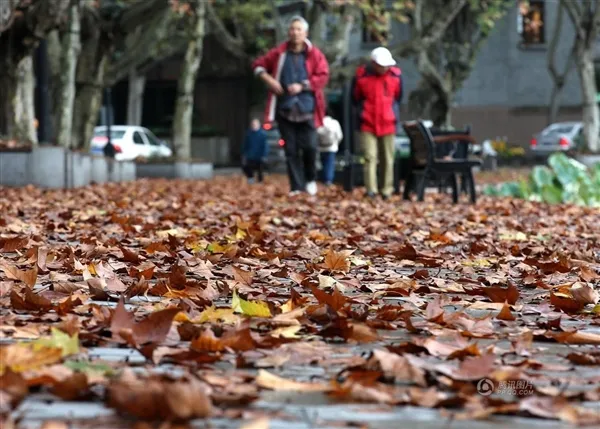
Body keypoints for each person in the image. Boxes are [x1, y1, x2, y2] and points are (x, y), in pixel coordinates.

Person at [251, 15, 329, 196]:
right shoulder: (279, 53)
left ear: (305, 33)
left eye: (299, 29)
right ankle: (296, 186)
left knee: (310, 147)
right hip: (284, 109)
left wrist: (303, 85)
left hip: (307, 108)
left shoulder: (314, 54)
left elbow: (323, 76)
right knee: (290, 150)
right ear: (288, 32)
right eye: (292, 29)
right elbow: (257, 65)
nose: (295, 33)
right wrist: (269, 80)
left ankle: (310, 179)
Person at [352, 46, 402, 200]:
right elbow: (355, 99)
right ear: (374, 64)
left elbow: (398, 98)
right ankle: (371, 189)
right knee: (369, 157)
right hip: (367, 122)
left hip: (388, 122)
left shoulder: (395, 77)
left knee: (387, 157)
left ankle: (386, 189)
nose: (384, 68)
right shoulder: (361, 77)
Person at [317, 110, 343, 186]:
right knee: (329, 164)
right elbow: (339, 135)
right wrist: (336, 143)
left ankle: (322, 178)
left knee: (323, 163)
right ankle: (328, 180)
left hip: (321, 147)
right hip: (332, 147)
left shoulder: (319, 122)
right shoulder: (334, 122)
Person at [241, 118, 268, 184]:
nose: (254, 126)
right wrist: (244, 154)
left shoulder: (262, 134)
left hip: (259, 156)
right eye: (253, 124)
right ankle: (251, 178)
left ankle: (260, 181)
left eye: (255, 124)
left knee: (260, 169)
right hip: (250, 155)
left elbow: (265, 146)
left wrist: (264, 155)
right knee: (246, 167)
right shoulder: (248, 134)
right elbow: (245, 145)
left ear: (259, 125)